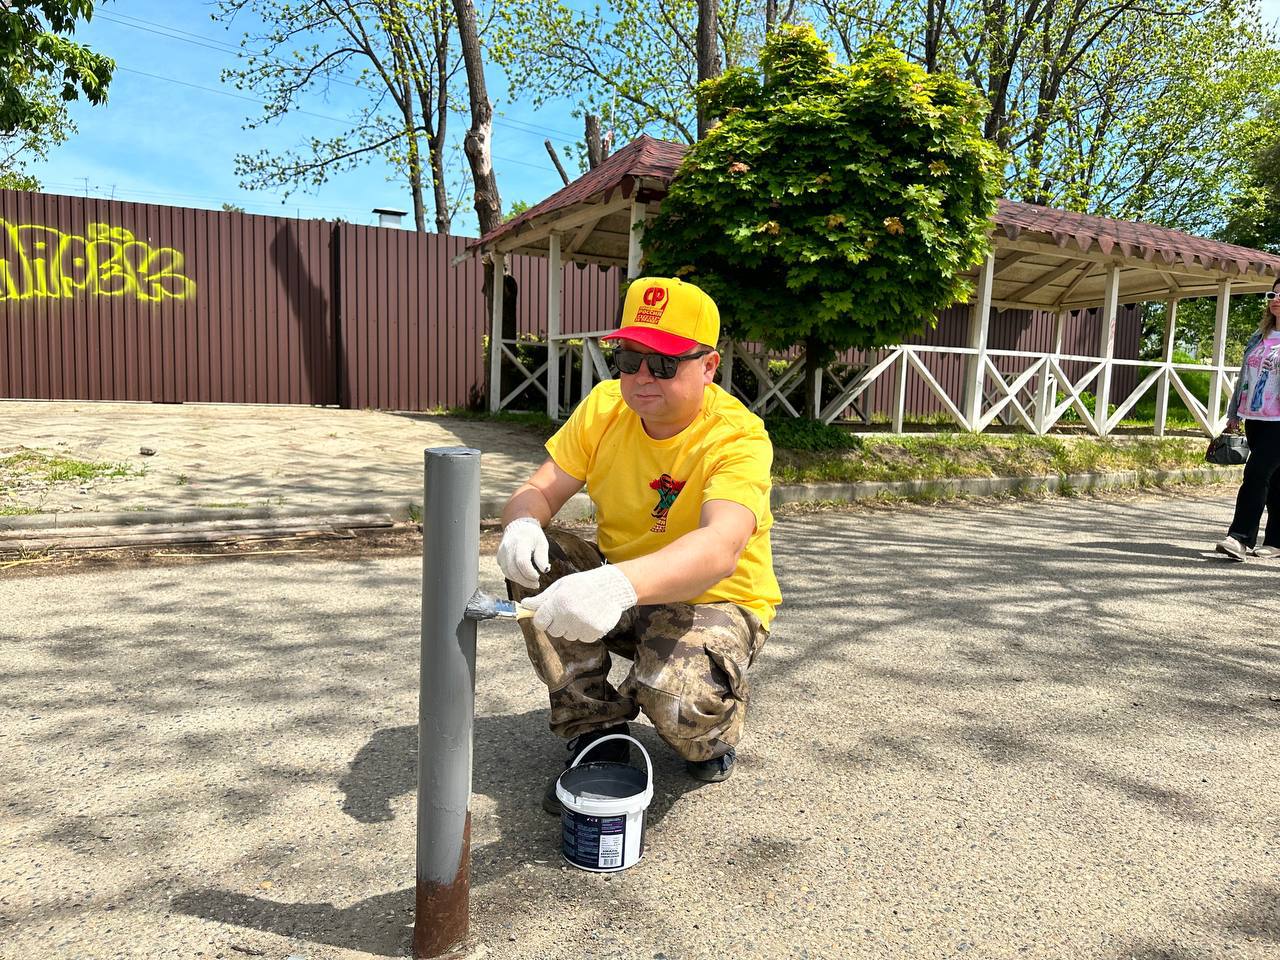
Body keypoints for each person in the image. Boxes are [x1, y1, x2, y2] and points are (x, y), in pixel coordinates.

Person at [495, 276, 782, 813]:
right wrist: (521, 525)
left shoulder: (737, 437)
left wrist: (615, 585)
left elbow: (720, 547)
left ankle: (711, 733)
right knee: (542, 556)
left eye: (665, 362)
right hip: (625, 590)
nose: (642, 376)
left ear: (709, 366)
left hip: (715, 602)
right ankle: (595, 729)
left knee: (676, 698)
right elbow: (539, 490)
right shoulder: (605, 408)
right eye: (629, 359)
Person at [1216, 279, 1280, 561]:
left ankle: (1240, 538)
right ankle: (1277, 542)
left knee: (1256, 473)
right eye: (1273, 293)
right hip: (1255, 418)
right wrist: (1234, 414)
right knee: (1275, 481)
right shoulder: (1259, 336)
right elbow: (1245, 377)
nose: (1276, 298)